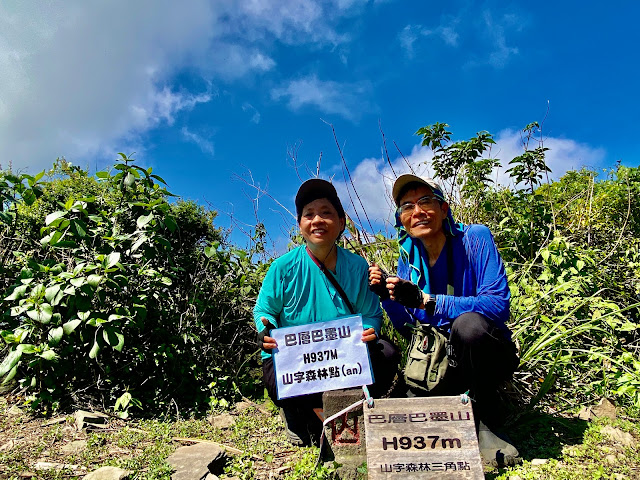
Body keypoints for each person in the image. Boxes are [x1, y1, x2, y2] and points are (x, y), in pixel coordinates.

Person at [368, 173, 520, 466]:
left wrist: (431, 301)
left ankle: (485, 418)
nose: (418, 211)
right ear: (401, 219)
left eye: (426, 201)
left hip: (486, 352)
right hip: (439, 361)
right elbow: (408, 328)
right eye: (407, 206)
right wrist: (388, 297)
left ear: (444, 209)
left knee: (469, 326)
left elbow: (498, 304)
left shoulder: (475, 237)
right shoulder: (408, 255)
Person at [255, 178, 399, 447]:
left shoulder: (358, 266)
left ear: (342, 223)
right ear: (300, 225)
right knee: (278, 379)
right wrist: (267, 330)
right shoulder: (282, 268)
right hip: (299, 361)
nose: (317, 220)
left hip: (342, 358)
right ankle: (300, 416)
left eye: (326, 213)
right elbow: (265, 311)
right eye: (309, 214)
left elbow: (371, 314)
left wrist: (370, 330)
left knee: (387, 353)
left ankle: (337, 412)